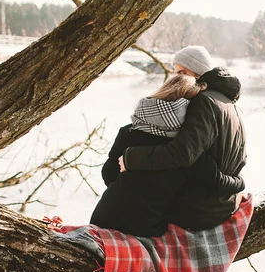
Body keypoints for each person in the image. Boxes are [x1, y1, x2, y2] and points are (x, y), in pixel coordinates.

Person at [90, 74, 244, 237]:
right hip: (146, 224)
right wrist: (239, 183)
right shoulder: (183, 148)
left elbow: (108, 174)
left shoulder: (128, 131)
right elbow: (211, 179)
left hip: (107, 213)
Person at [120, 46, 247, 231]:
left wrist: (129, 158)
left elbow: (182, 153)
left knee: (130, 203)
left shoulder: (203, 102)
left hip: (201, 210)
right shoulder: (228, 102)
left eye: (182, 72)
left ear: (198, 73)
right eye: (175, 72)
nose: (177, 78)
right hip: (224, 202)